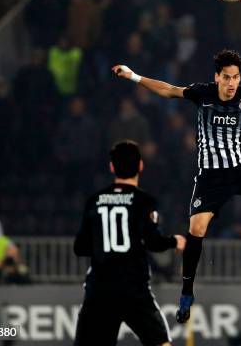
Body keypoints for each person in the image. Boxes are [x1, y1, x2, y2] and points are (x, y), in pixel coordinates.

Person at [112, 49, 241, 323]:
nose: (232, 82)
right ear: (217, 78)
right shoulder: (203, 94)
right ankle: (186, 293)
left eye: (235, 77)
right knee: (196, 229)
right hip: (211, 178)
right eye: (226, 77)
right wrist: (133, 76)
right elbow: (168, 90)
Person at [73, 141, 186, 346]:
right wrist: (174, 241)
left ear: (112, 167)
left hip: (100, 289)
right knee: (160, 342)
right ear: (140, 166)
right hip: (132, 287)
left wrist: (103, 244)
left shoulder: (94, 200)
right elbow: (154, 242)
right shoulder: (144, 201)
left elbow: (79, 247)